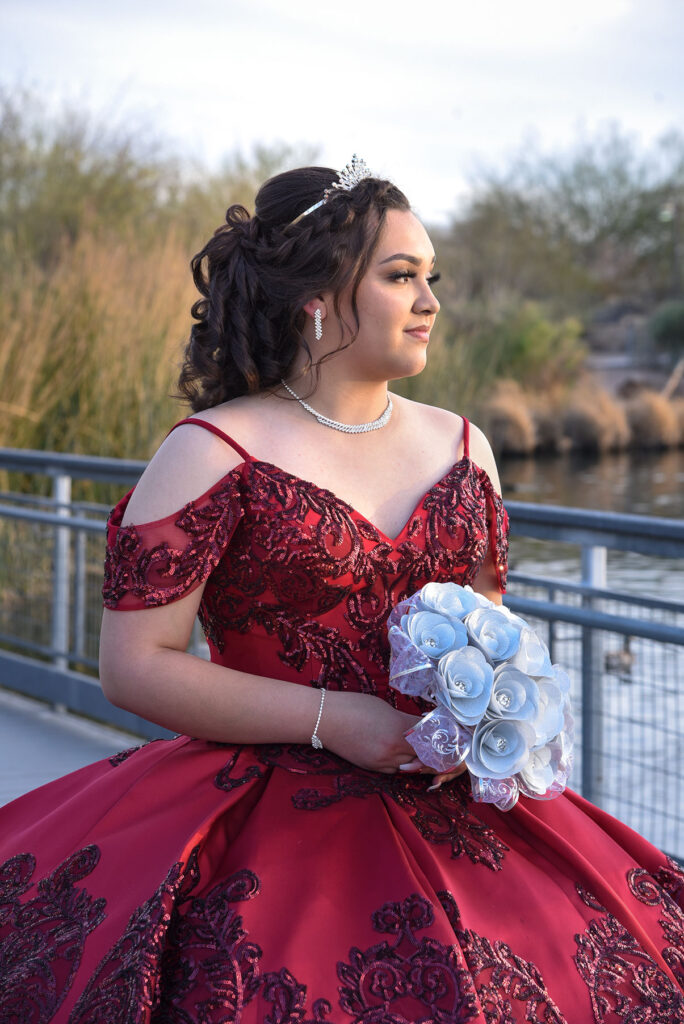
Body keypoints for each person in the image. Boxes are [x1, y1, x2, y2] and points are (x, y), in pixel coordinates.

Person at [0, 158, 682, 1024]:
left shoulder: (466, 447)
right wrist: (337, 719)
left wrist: (489, 725)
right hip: (263, 808)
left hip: (451, 800)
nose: (431, 300)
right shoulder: (214, 449)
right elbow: (134, 666)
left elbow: (490, 623)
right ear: (317, 296)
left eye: (432, 276)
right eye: (402, 277)